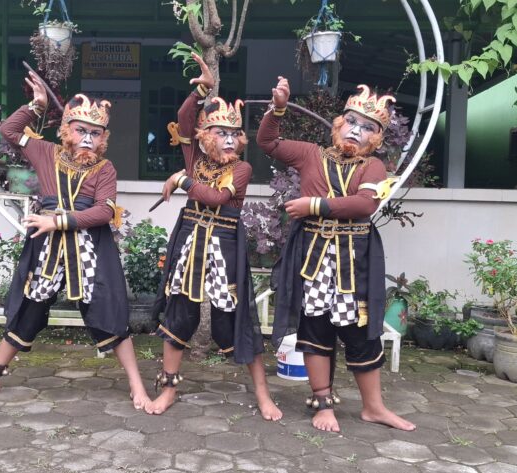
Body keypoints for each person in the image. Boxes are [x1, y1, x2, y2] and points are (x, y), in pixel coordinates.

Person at [0, 72, 150, 410]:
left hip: (89, 251)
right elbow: (9, 131)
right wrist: (36, 106)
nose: (87, 139)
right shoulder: (45, 152)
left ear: (103, 138)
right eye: (81, 130)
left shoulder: (105, 169)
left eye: (95, 133)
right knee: (27, 310)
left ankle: (137, 386)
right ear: (66, 129)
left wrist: (57, 221)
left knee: (110, 313)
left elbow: (104, 212)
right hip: (47, 252)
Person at [257, 76, 415, 433]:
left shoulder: (373, 167)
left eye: (368, 127)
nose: (357, 131)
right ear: (339, 124)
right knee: (315, 329)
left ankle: (374, 407)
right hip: (314, 260)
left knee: (361, 331)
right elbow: (267, 142)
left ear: (376, 138)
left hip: (354, 263)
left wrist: (313, 205)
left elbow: (365, 205)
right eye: (352, 122)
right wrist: (277, 109)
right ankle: (323, 404)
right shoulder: (310, 154)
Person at [145, 54, 282, 421]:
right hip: (190, 239)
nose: (230, 140)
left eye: (235, 134)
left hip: (224, 244)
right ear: (205, 137)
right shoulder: (195, 157)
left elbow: (217, 198)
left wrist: (181, 180)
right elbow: (184, 118)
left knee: (234, 319)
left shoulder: (243, 168)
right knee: (178, 315)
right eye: (221, 133)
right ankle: (168, 389)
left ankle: (263, 395)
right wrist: (201, 91)